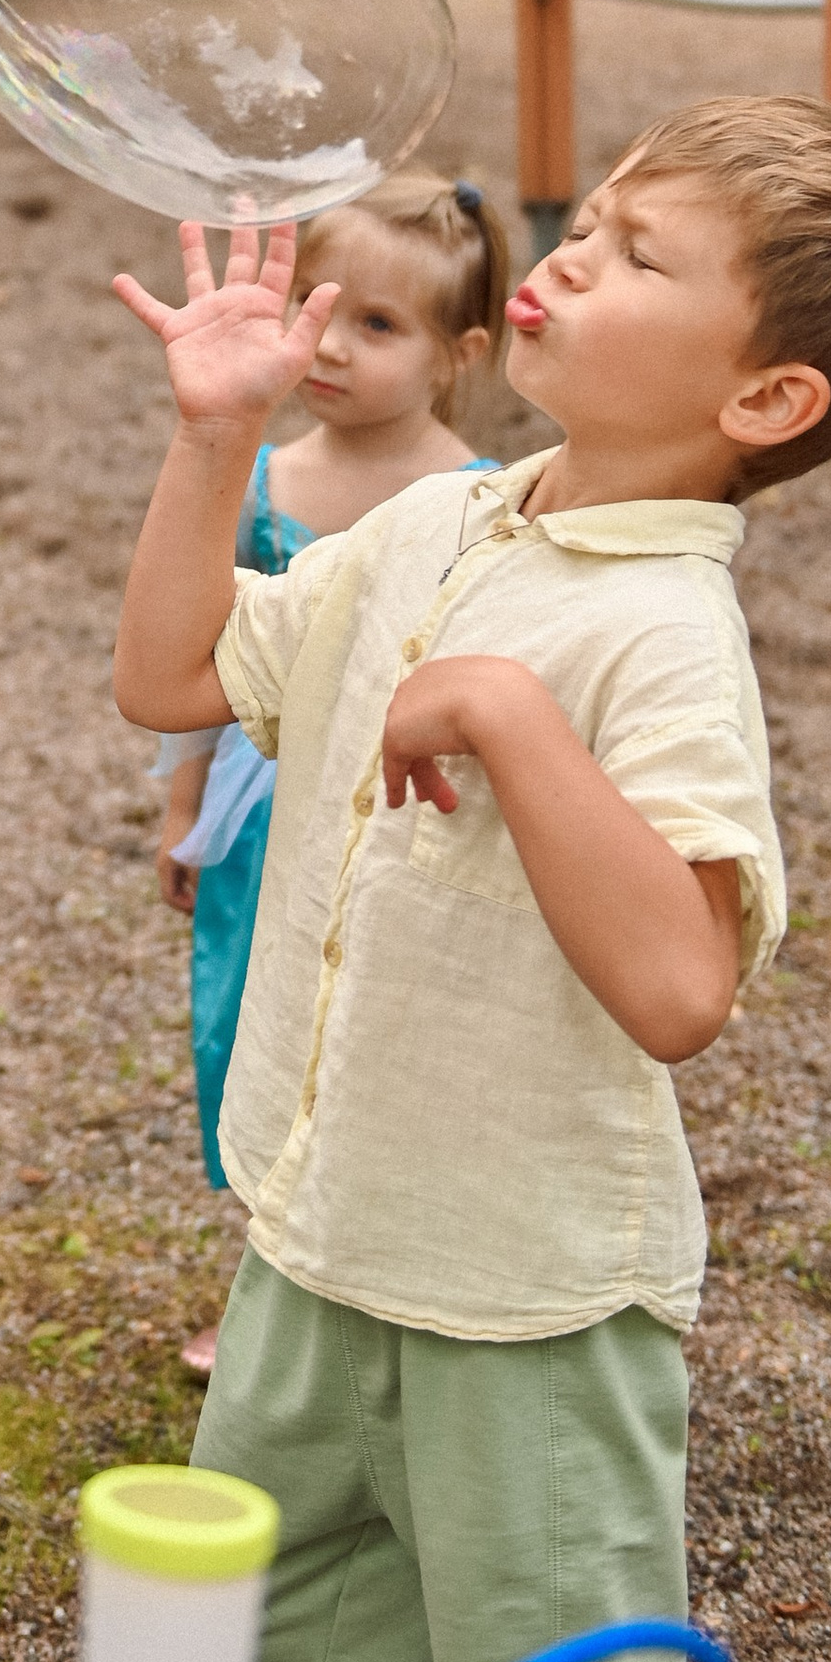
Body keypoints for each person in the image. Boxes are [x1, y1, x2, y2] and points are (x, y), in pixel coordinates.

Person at [110, 102, 831, 1662]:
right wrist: (201, 443)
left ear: (760, 394)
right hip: (319, 1241)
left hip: (521, 1311)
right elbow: (169, 675)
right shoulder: (435, 524)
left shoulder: (655, 635)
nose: (567, 255)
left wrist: (508, 716)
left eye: (635, 253)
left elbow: (681, 985)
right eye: (582, 223)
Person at [149, 177, 504, 1365]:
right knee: (257, 1018)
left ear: (460, 354)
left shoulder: (483, 499)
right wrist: (183, 810)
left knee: (377, 1028)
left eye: (378, 325)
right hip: (264, 816)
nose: (331, 346)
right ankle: (267, 1278)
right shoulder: (260, 483)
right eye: (318, 306)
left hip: (411, 814)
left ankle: (381, 1279)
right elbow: (201, 658)